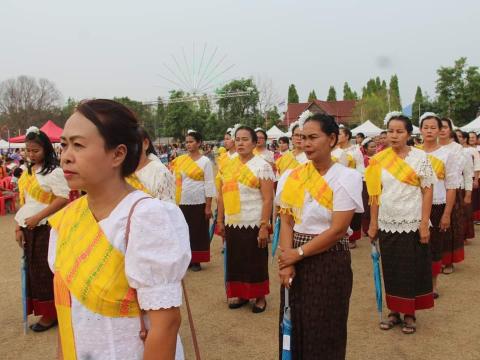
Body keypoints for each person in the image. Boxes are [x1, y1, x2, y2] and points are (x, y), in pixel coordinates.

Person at [49, 99, 190, 359]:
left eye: (78, 145)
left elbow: (166, 324)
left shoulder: (146, 218)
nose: (66, 156)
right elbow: (68, 312)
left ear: (118, 154)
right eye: (64, 144)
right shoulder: (65, 220)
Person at [277, 113, 363, 359]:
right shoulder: (291, 176)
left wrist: (298, 253)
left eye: (313, 137)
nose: (306, 144)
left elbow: (338, 229)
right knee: (296, 320)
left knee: (326, 324)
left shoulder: (347, 177)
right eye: (303, 138)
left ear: (332, 139)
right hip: (294, 257)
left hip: (330, 259)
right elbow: (286, 220)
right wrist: (287, 261)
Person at [367, 112, 434, 334]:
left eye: (399, 131)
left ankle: (410, 314)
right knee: (392, 268)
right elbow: (375, 195)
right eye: (390, 131)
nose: (394, 136)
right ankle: (394, 311)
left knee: (411, 268)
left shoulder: (420, 158)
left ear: (408, 134)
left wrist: (424, 223)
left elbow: (427, 191)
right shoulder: (378, 160)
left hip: (412, 222)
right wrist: (373, 223)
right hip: (387, 222)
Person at [14, 127, 70, 332]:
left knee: (47, 271)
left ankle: (51, 314)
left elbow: (63, 198)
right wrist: (17, 227)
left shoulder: (54, 172)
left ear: (46, 149)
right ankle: (42, 309)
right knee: (33, 272)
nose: (30, 154)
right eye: (28, 150)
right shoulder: (27, 172)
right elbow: (25, 202)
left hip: (47, 229)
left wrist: (38, 217)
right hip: (28, 228)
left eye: (35, 150)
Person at [217, 125, 274, 313]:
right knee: (237, 260)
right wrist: (220, 220)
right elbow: (222, 195)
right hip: (233, 222)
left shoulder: (262, 166)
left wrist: (264, 226)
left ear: (255, 142)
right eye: (238, 139)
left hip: (254, 222)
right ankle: (241, 294)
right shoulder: (227, 164)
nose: (240, 143)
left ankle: (259, 297)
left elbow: (268, 199)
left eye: (245, 139)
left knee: (255, 260)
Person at [419, 113, 460, 298]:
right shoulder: (413, 152)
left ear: (440, 130)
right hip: (414, 205)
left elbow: (451, 186)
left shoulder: (447, 155)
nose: (429, 131)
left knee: (434, 245)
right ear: (420, 130)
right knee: (417, 246)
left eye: (433, 127)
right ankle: (419, 283)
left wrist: (447, 213)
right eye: (425, 127)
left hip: (438, 204)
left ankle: (433, 284)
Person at [171, 130, 215, 272]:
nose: (188, 144)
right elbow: (174, 180)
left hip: (199, 201)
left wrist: (208, 206)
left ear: (199, 143)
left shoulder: (205, 161)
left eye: (191, 141)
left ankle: (196, 260)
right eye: (187, 142)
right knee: (184, 230)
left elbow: (209, 183)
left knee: (198, 231)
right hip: (182, 201)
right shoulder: (180, 160)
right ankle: (186, 259)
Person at [440, 119, 470, 273]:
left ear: (450, 130)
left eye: (445, 127)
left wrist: (468, 193)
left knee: (450, 227)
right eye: (440, 127)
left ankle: (448, 261)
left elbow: (466, 172)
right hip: (432, 192)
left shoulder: (458, 149)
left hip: (453, 190)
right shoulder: (426, 149)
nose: (442, 130)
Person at [126, 127, 175, 202]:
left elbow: (167, 208)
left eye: (132, 143)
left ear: (145, 144)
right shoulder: (121, 171)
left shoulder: (159, 172)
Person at [336, 126, 365, 248]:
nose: (337, 136)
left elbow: (360, 167)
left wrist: (356, 180)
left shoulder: (355, 150)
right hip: (336, 184)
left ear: (347, 136)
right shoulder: (333, 150)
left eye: (340, 134)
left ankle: (352, 238)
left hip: (351, 183)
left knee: (353, 211)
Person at [361, 137, 377, 235]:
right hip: (366, 183)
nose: (374, 148)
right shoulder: (364, 159)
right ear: (366, 149)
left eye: (375, 146)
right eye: (371, 147)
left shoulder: (378, 157)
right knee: (367, 206)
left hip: (376, 184)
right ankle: (366, 228)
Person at [466, 131, 480, 225]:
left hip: (477, 177)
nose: (471, 139)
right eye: (469, 137)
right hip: (469, 177)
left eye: (473, 137)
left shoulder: (477, 150)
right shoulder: (464, 149)